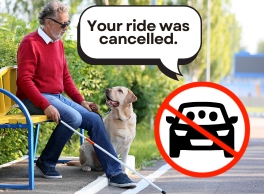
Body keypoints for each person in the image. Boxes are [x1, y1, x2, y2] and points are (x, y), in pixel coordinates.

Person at [16, 0, 136, 188]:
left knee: (94, 119)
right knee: (72, 117)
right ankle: (46, 162)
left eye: (67, 24)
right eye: (62, 24)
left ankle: (114, 172)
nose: (66, 28)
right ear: (48, 23)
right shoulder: (30, 43)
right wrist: (45, 104)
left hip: (56, 96)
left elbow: (65, 77)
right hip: (32, 98)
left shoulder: (58, 44)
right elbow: (24, 81)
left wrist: (80, 101)